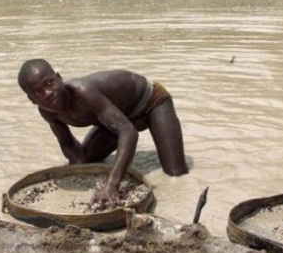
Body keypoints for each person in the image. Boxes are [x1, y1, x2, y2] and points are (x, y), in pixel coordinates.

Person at [18, 59, 189, 209]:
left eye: (49, 83)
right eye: (38, 92)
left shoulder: (82, 92)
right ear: (32, 99)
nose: (47, 93)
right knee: (85, 160)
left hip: (151, 101)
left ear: (59, 78)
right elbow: (67, 144)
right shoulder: (48, 112)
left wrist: (112, 185)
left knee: (175, 173)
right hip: (119, 116)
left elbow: (129, 132)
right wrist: (79, 175)